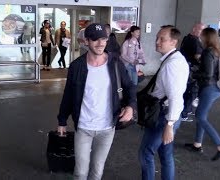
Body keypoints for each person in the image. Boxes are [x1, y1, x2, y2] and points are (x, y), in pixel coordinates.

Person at [57, 23, 136, 180]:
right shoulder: (77, 66)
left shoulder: (115, 63)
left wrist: (131, 107)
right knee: (80, 172)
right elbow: (68, 95)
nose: (100, 44)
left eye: (104, 39)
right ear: (86, 41)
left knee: (97, 171)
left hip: (107, 128)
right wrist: (62, 120)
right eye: (95, 40)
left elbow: (129, 87)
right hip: (84, 127)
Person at [138, 25, 189, 180]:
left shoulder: (172, 64)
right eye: (157, 38)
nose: (157, 42)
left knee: (146, 153)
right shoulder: (176, 59)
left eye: (162, 39)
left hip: (164, 116)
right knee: (165, 154)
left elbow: (175, 96)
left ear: (173, 42)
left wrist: (169, 125)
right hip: (168, 114)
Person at [185, 27, 220, 161]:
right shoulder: (217, 51)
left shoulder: (208, 52)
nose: (200, 38)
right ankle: (197, 144)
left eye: (202, 35)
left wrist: (192, 73)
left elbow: (207, 74)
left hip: (209, 88)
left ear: (206, 37)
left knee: (200, 117)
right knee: (201, 114)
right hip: (215, 88)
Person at [180, 23, 206, 122]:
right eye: (201, 30)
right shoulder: (194, 40)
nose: (202, 33)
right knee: (192, 91)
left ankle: (187, 109)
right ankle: (184, 113)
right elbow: (197, 56)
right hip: (192, 70)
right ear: (194, 29)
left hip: (187, 68)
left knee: (188, 90)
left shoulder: (187, 38)